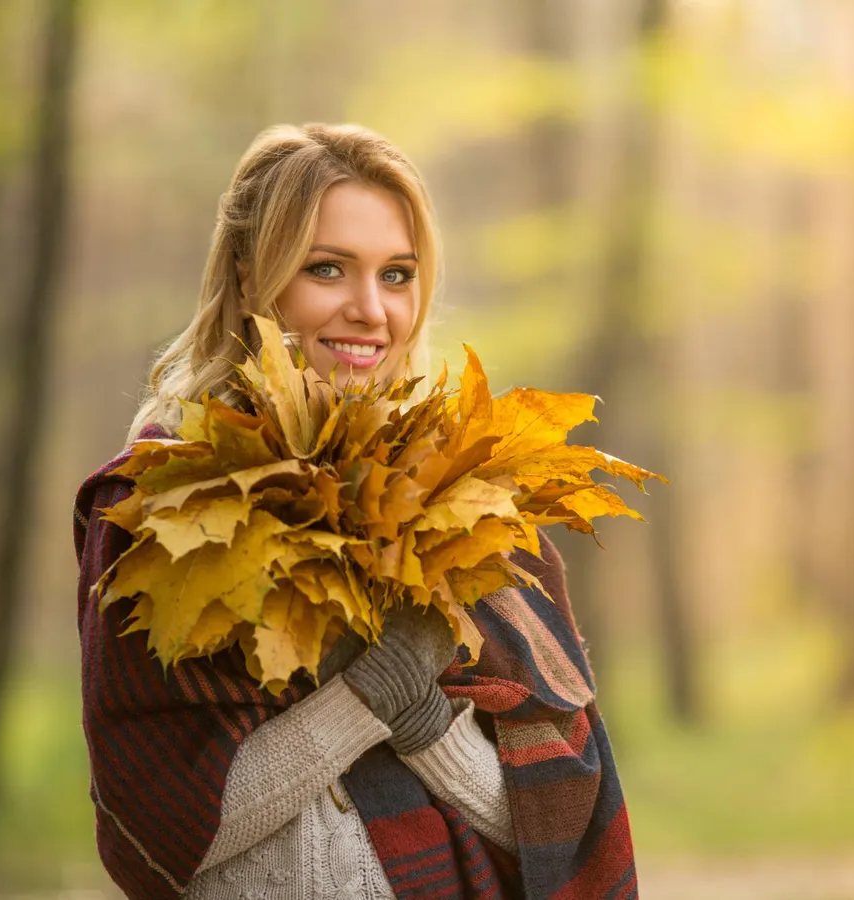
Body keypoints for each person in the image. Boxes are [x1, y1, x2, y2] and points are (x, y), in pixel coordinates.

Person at [73, 123, 638, 900]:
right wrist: (359, 698)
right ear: (250, 276)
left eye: (398, 275)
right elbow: (171, 830)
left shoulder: (473, 506)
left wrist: (424, 717)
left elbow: (556, 824)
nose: (371, 310)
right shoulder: (162, 505)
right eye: (327, 269)